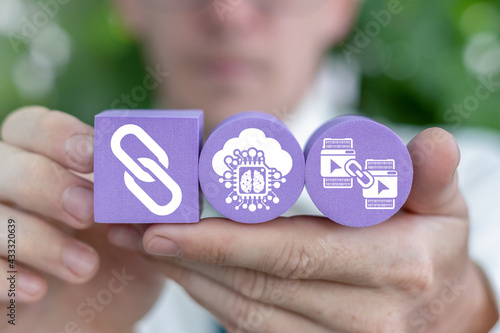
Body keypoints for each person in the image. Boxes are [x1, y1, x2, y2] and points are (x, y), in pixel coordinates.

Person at [1, 0, 499, 332]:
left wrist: (465, 315)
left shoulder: (482, 181)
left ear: (340, 7)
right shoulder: (54, 213)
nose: (230, 13)